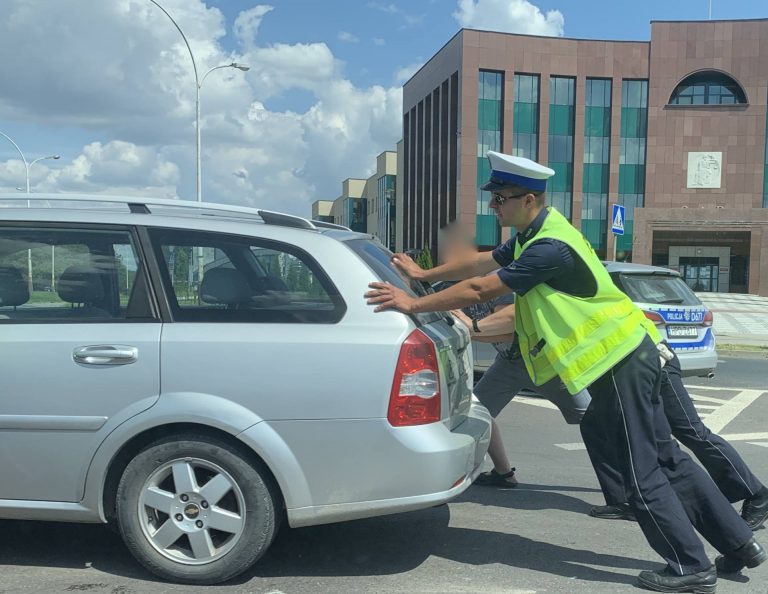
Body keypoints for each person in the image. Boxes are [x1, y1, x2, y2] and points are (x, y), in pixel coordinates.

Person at [364, 150, 765, 593]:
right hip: (631, 356)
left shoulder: (549, 248)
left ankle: (690, 566)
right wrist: (425, 272)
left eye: (500, 198)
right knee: (667, 457)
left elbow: (482, 287)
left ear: (529, 199)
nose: (494, 207)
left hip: (616, 363)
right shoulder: (535, 235)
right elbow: (479, 263)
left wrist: (412, 303)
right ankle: (739, 543)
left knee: (641, 470)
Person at [588, 343, 768, 533]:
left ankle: (757, 494)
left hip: (655, 364)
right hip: (626, 370)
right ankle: (626, 499)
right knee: (595, 427)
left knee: (692, 431)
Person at [450, 300, 590, 487]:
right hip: (508, 363)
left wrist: (470, 329)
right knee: (478, 411)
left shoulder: (496, 284)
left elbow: (513, 330)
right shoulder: (455, 290)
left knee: (593, 419)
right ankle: (503, 473)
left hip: (545, 364)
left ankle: (634, 468)